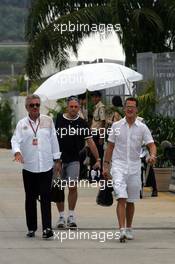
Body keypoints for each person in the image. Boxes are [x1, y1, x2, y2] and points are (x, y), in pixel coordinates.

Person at [103, 97, 157, 242]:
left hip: (134, 166)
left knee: (131, 200)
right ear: (124, 108)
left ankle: (129, 228)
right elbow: (110, 147)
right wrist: (106, 166)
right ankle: (121, 230)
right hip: (118, 166)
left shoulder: (142, 127)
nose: (130, 109)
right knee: (121, 197)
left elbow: (151, 144)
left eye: (132, 106)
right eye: (127, 106)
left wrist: (152, 155)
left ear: (136, 109)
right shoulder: (116, 126)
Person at [11, 94, 61, 239]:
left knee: (46, 198)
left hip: (46, 166)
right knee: (30, 198)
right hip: (29, 167)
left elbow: (54, 140)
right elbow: (15, 140)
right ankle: (31, 228)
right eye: (32, 105)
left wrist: (57, 159)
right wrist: (17, 153)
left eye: (37, 105)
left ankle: (47, 228)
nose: (35, 107)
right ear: (27, 107)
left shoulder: (47, 121)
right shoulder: (22, 124)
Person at [55, 96, 100, 228]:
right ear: (67, 107)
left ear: (78, 108)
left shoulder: (82, 122)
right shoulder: (58, 119)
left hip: (74, 159)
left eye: (76, 107)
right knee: (59, 188)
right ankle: (61, 216)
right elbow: (52, 139)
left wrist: (97, 158)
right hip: (58, 160)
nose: (73, 109)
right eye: (71, 106)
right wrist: (54, 159)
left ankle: (71, 215)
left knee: (73, 186)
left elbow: (90, 141)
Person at [90, 91, 106, 175]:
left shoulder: (101, 107)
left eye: (96, 97)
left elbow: (103, 122)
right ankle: (94, 174)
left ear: (99, 98)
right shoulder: (96, 107)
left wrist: (102, 137)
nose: (94, 99)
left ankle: (99, 174)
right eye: (93, 97)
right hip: (93, 133)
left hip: (98, 134)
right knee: (93, 154)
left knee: (98, 155)